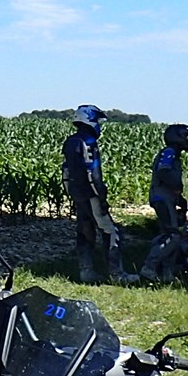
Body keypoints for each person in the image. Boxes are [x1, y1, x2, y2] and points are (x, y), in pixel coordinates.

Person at [61, 104, 131, 283]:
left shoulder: (70, 142)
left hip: (77, 194)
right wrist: (101, 197)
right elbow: (93, 172)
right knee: (111, 231)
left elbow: (66, 172)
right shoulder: (89, 142)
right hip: (91, 194)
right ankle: (117, 274)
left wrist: (71, 194)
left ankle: (86, 271)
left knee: (84, 232)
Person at [140, 123, 188, 282]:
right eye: (185, 136)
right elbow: (164, 172)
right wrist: (177, 187)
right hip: (162, 199)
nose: (187, 140)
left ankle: (166, 272)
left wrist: (179, 199)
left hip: (167, 198)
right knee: (173, 235)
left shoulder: (173, 154)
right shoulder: (169, 152)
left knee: (170, 235)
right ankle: (149, 267)